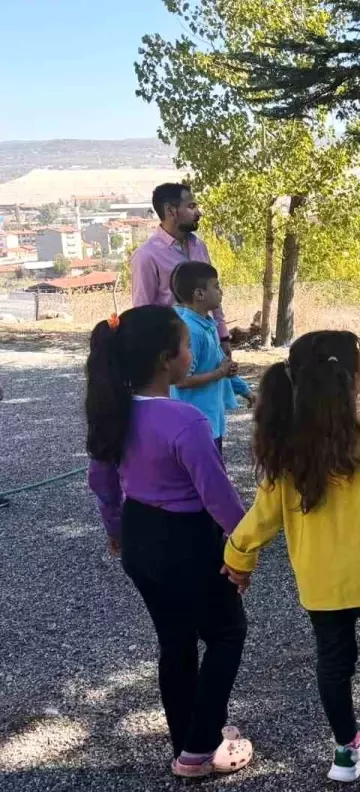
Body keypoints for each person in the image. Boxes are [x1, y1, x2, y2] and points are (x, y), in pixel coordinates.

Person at [222, 331, 360, 789]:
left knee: (333, 662)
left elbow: (263, 515)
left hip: (319, 583)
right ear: (348, 379)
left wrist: (239, 556)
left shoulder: (286, 446)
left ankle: (348, 749)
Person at [85, 305, 253, 779]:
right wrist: (246, 549)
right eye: (185, 345)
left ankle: (190, 739)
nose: (190, 353)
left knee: (175, 641)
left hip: (140, 539)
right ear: (167, 359)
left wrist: (116, 531)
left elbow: (102, 483)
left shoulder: (114, 413)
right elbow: (217, 496)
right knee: (226, 633)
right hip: (188, 542)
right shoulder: (185, 421)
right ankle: (199, 750)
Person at [130, 183, 230, 354]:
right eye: (191, 206)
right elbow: (142, 313)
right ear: (170, 210)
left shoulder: (199, 246)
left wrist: (223, 337)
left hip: (209, 342)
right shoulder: (147, 255)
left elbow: (212, 290)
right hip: (174, 350)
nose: (198, 213)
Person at [170, 261, 253, 458]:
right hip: (195, 424)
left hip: (212, 421)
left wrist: (244, 390)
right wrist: (219, 373)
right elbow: (181, 381)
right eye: (216, 286)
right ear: (199, 294)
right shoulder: (191, 331)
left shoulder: (208, 325)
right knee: (205, 481)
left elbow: (220, 365)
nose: (221, 292)